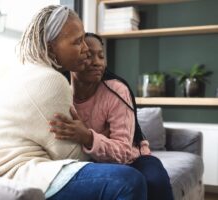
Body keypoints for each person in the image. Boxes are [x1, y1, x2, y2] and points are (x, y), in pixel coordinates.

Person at [0, 5, 147, 200]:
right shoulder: (51, 81)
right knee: (128, 181)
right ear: (52, 46)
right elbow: (71, 156)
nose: (86, 49)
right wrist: (88, 137)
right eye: (78, 42)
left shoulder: (22, 72)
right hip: (14, 174)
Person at [49, 32, 174, 200]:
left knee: (154, 182)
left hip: (134, 158)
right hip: (89, 164)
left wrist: (87, 137)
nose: (97, 62)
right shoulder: (59, 94)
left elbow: (123, 151)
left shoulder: (116, 91)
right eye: (88, 55)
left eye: (101, 56)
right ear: (71, 60)